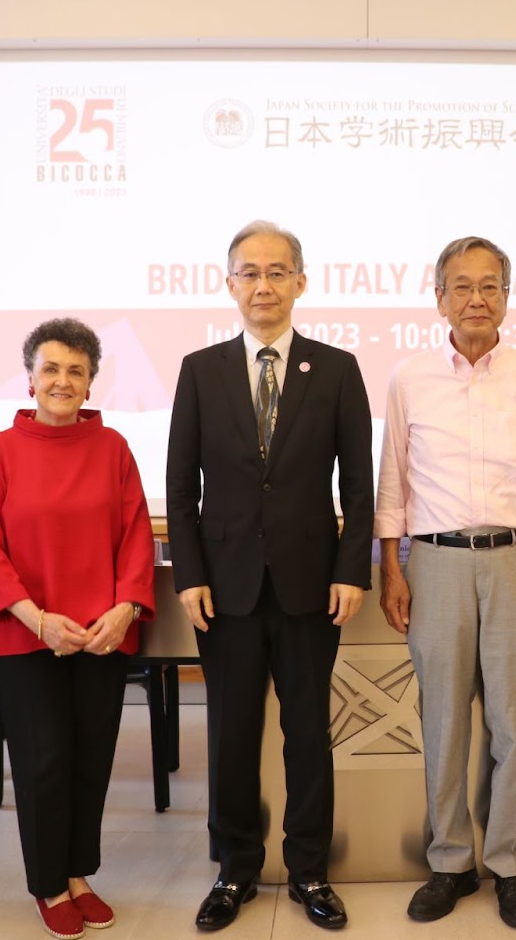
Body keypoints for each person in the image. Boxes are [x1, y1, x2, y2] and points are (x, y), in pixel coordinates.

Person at [166, 221, 373, 933]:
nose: (263, 285)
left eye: (277, 271)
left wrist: (352, 570)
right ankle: (235, 868)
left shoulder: (336, 369)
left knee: (308, 734)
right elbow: (180, 485)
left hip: (311, 586)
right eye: (249, 272)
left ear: (300, 282)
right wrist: (189, 573)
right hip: (224, 589)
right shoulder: (200, 370)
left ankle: (310, 868)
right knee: (231, 733)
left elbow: (359, 487)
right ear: (229, 284)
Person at [376, 236, 516, 929]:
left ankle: (512, 865)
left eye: (489, 286)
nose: (476, 299)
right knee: (443, 721)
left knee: (515, 722)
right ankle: (450, 862)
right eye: (461, 286)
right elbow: (393, 482)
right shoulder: (409, 378)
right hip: (433, 561)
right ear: (439, 299)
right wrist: (391, 566)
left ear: (507, 297)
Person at [0, 317, 156, 939]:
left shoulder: (113, 448)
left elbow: (136, 535)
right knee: (42, 761)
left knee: (90, 759)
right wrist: (37, 619)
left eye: (76, 371)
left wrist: (126, 609)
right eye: (50, 368)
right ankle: (49, 884)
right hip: (28, 633)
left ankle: (79, 874)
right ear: (29, 379)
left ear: (90, 383)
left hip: (102, 634)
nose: (62, 380)